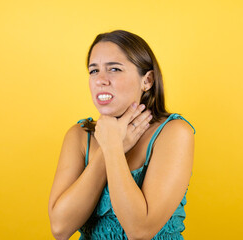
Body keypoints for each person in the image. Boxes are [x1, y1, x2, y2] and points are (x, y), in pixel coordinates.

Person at [48, 30, 196, 240]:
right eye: (93, 71)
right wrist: (108, 149)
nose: (100, 80)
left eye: (114, 69)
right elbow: (60, 228)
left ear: (147, 81)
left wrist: (114, 148)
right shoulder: (79, 136)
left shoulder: (174, 133)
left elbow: (140, 231)